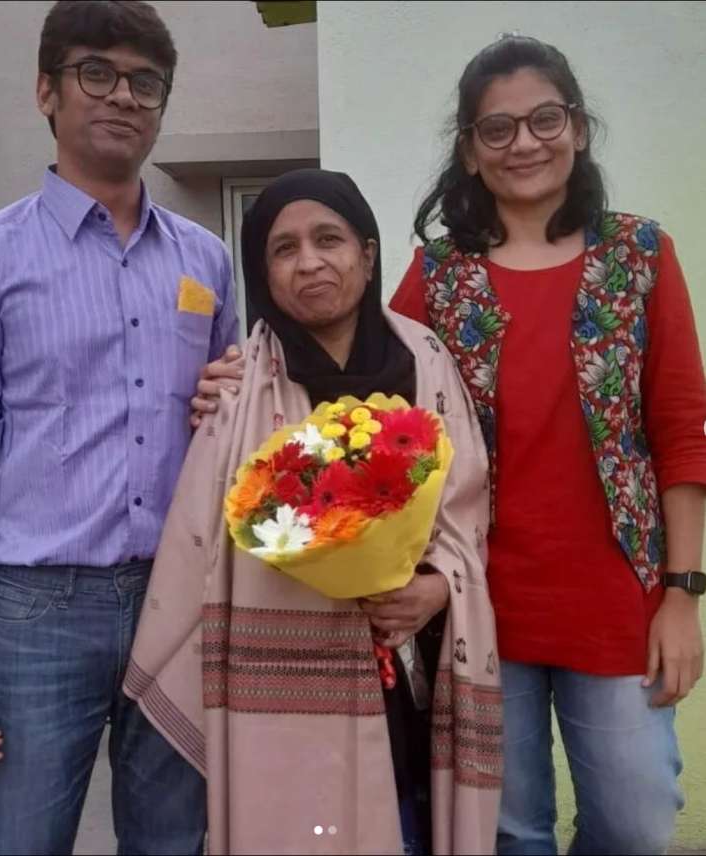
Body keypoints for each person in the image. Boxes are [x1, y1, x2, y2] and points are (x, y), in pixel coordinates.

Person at [0, 2, 237, 853]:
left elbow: (231, 423)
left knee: (173, 838)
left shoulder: (205, 260)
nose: (123, 96)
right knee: (16, 838)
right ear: (46, 92)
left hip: (178, 595)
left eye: (145, 82)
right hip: (39, 608)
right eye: (96, 72)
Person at [389, 35, 706, 856]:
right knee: (507, 832)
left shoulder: (639, 256)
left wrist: (683, 592)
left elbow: (680, 430)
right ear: (468, 150)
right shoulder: (439, 277)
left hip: (614, 600)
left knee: (637, 823)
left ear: (578, 128)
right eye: (496, 129)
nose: (524, 142)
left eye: (544, 119)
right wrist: (253, 367)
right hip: (479, 604)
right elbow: (378, 412)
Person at [124, 168, 503, 855]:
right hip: (281, 686)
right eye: (284, 248)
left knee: (407, 825)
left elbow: (468, 505)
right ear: (262, 273)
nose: (310, 262)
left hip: (409, 670)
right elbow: (201, 546)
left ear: (365, 249)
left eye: (328, 239)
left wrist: (434, 587)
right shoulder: (238, 390)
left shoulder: (427, 363)